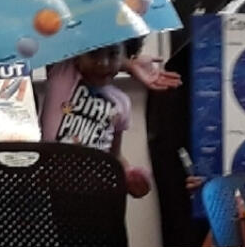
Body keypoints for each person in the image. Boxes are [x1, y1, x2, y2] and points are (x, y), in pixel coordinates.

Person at [40, 37, 163, 198]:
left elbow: (114, 154)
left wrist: (129, 174)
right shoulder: (62, 73)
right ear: (77, 55)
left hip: (94, 194)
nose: (103, 63)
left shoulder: (121, 103)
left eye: (113, 54)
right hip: (50, 189)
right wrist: (128, 64)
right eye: (93, 54)